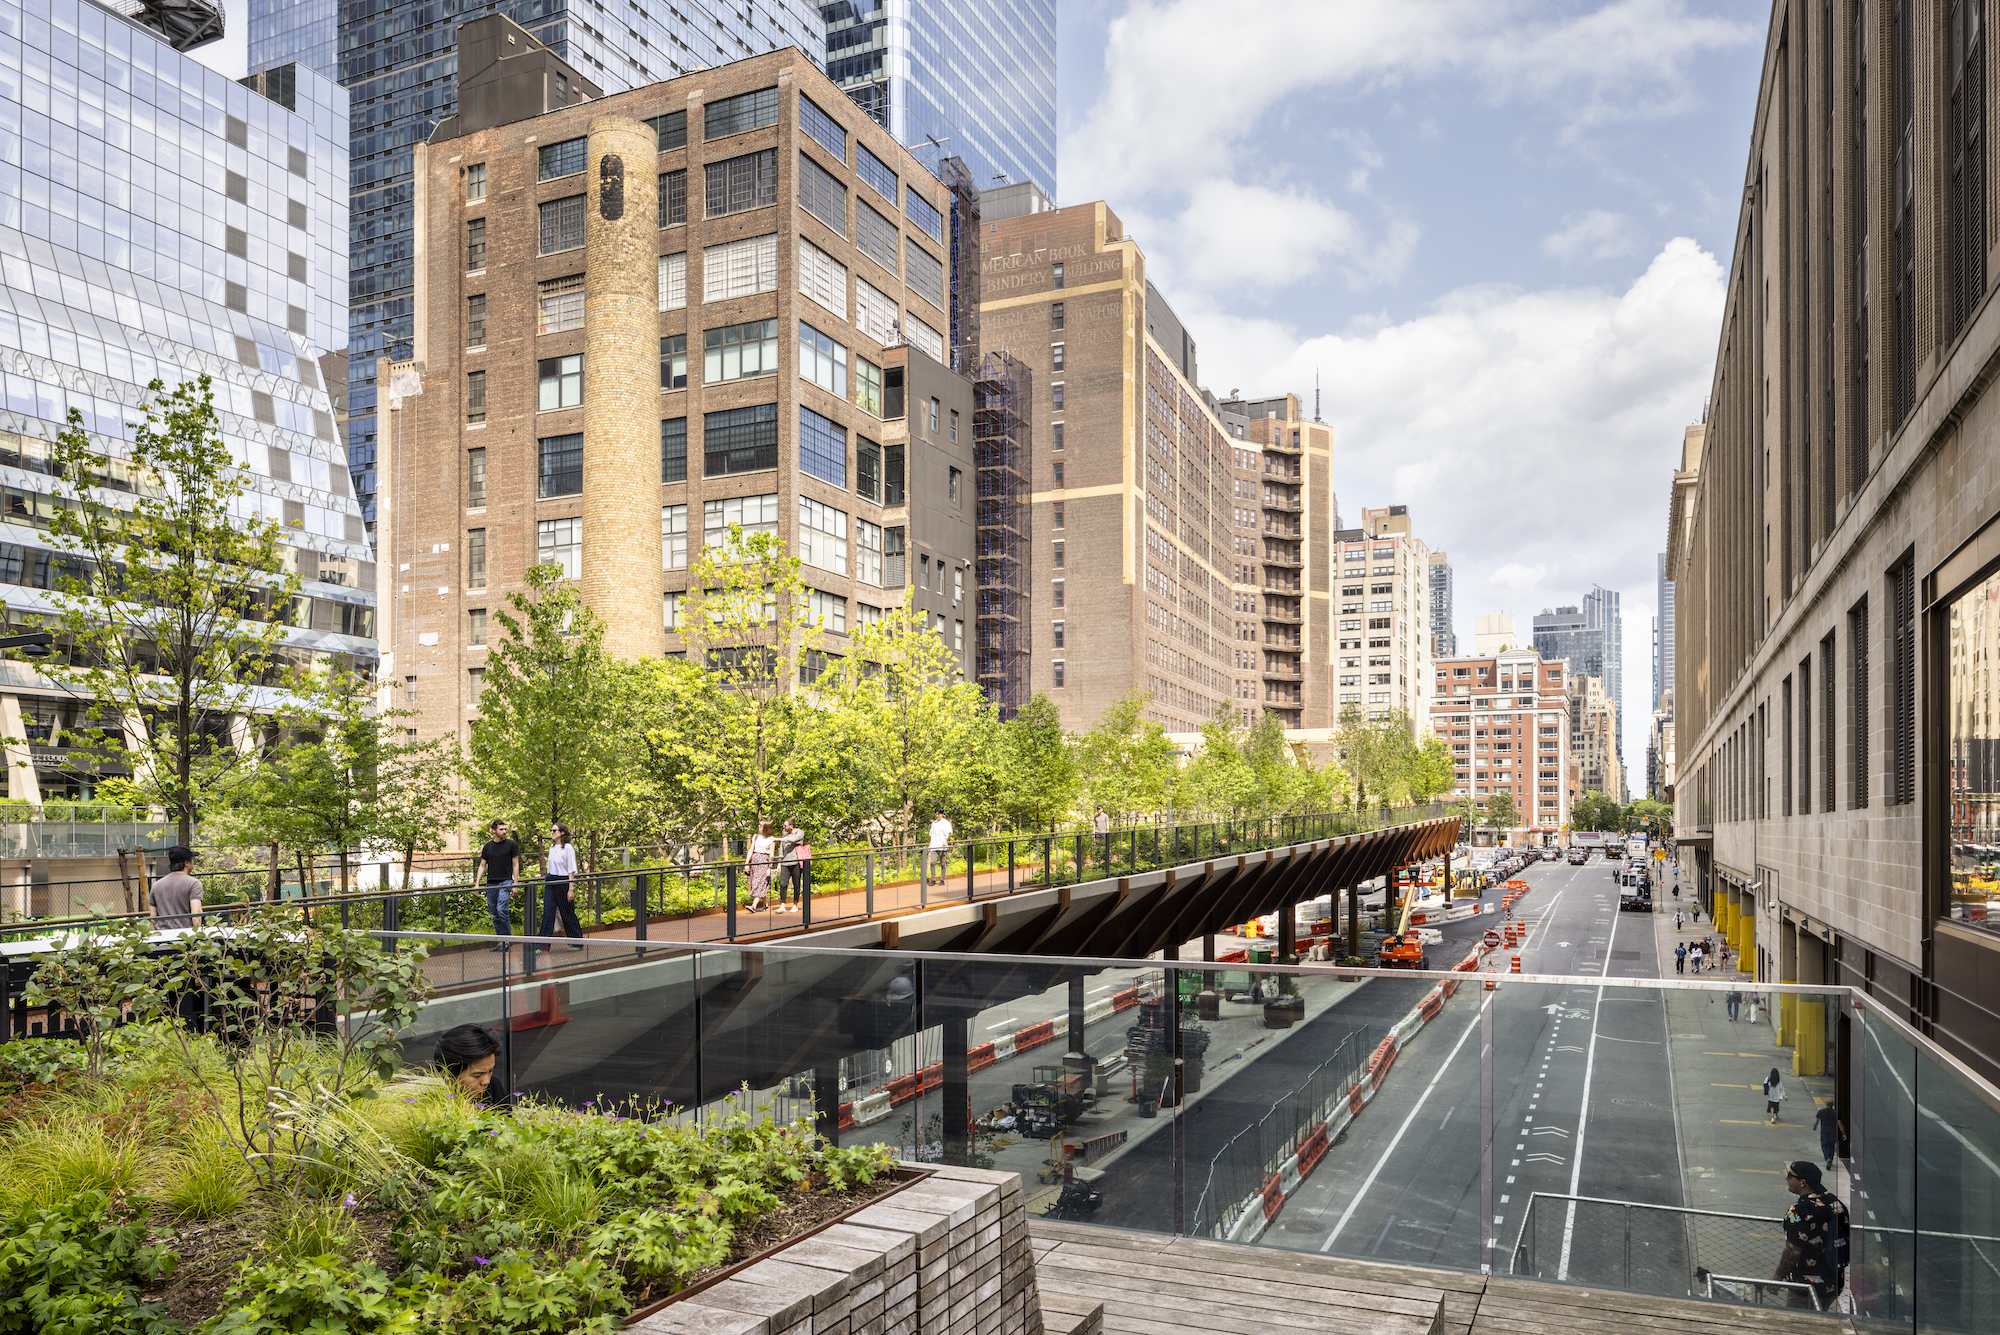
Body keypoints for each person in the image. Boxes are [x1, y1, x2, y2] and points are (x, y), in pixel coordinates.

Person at [1774, 1160, 1849, 1309]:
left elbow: (1793, 1251)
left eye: (1790, 1175)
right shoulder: (1836, 1204)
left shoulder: (1799, 1212)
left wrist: (1777, 1277)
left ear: (1803, 1182)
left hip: (1805, 1289)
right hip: (1833, 1283)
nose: (1786, 1178)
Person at [533, 824, 585, 950]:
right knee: (548, 911)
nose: (552, 832)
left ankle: (576, 942)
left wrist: (570, 888)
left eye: (554, 830)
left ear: (562, 832)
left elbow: (571, 869)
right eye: (551, 830)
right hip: (551, 879)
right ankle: (542, 945)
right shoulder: (551, 847)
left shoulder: (568, 848)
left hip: (563, 880)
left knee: (567, 912)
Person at [434, 1023, 509, 1108]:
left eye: (490, 1071)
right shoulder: (431, 1105)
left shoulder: (493, 1086)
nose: (486, 1081)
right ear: (448, 1073)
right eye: (477, 1076)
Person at [477, 820, 520, 951]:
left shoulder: (511, 845)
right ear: (493, 830)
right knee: (494, 913)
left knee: (502, 909)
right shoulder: (488, 846)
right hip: (491, 883)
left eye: (505, 829)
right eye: (501, 829)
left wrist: (515, 884)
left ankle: (508, 939)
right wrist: (477, 884)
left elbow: (516, 864)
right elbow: (482, 865)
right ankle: (501, 941)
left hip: (505, 881)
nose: (504, 832)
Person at [149, 845, 203, 929]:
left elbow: (153, 917)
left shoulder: (156, 885)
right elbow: (196, 912)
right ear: (186, 863)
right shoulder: (194, 883)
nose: (193, 862)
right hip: (185, 936)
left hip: (163, 936)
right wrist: (198, 936)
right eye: (192, 860)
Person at [776, 818, 807, 913]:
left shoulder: (799, 832)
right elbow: (781, 850)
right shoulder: (784, 835)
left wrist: (779, 839)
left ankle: (795, 904)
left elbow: (793, 839)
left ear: (791, 826)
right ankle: (782, 905)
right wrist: (779, 863)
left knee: (796, 884)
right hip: (785, 862)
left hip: (796, 862)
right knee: (782, 883)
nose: (784, 827)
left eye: (785, 825)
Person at [747, 820, 777, 911]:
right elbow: (751, 850)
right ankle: (765, 905)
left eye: (761, 825)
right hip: (755, 861)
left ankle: (754, 905)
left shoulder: (771, 839)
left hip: (764, 861)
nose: (759, 826)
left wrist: (769, 867)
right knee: (759, 882)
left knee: (759, 883)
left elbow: (771, 855)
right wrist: (747, 863)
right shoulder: (756, 837)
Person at [926, 807, 952, 888]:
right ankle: (933, 879)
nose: (937, 816)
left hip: (942, 846)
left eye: (939, 814)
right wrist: (929, 845)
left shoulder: (946, 823)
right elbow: (931, 835)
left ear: (942, 814)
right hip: (934, 845)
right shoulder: (933, 823)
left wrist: (945, 840)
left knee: (942, 863)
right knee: (932, 862)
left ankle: (942, 879)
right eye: (936, 814)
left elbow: (948, 832)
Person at [1814, 1102, 1844, 1170]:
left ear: (1826, 1104)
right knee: (1831, 1146)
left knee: (1824, 1146)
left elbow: (1816, 1121)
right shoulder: (1836, 1113)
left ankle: (1827, 1158)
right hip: (1833, 1132)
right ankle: (1830, 1158)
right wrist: (1843, 1133)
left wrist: (1814, 1127)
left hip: (1824, 1132)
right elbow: (1840, 1124)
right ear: (1832, 1105)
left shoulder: (1821, 1111)